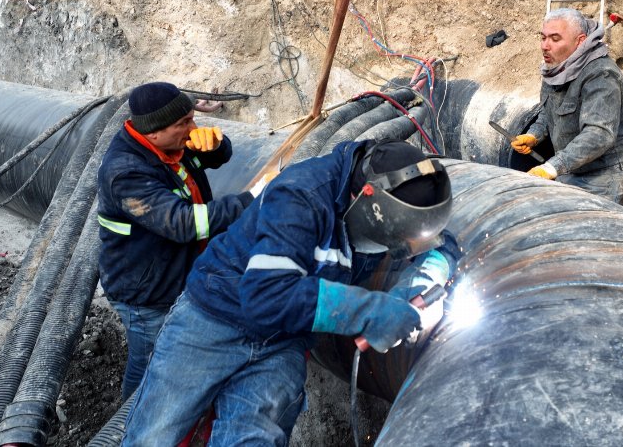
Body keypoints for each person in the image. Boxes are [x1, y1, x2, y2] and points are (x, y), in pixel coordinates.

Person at [121, 138, 460, 446]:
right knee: (153, 437)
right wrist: (371, 311)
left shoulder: (400, 197)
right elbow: (266, 297)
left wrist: (422, 282)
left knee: (252, 441)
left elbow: (439, 242)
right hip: (212, 322)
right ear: (365, 199)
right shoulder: (301, 196)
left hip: (283, 341)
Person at [97, 81, 267, 399]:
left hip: (178, 276)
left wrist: (217, 145)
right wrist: (252, 200)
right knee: (151, 365)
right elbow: (183, 223)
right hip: (147, 293)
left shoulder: (170, 146)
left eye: (192, 118)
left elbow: (213, 159)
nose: (193, 128)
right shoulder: (127, 172)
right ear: (153, 131)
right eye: (184, 123)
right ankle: (130, 424)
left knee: (176, 356)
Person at [511, 7, 623, 204]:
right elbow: (549, 112)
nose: (545, 46)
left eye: (555, 39)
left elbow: (599, 133)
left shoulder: (601, 75)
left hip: (605, 177)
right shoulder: (557, 68)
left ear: (579, 41)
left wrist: (552, 167)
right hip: (571, 168)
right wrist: (533, 135)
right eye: (543, 37)